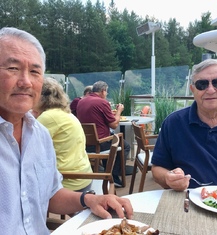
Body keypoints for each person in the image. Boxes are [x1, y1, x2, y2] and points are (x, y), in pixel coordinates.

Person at [0, 27, 133, 234]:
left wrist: (89, 199)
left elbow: (51, 194)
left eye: (35, 72)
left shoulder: (41, 134)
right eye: (13, 68)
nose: (26, 81)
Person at [151, 59, 217, 191]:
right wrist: (168, 177)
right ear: (193, 89)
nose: (210, 90)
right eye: (202, 84)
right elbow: (157, 168)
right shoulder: (174, 123)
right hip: (185, 201)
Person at [33, 77, 93, 192]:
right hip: (83, 177)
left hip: (68, 182)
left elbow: (26, 147)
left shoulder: (49, 117)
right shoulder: (63, 113)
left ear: (41, 97)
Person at [76, 81, 130, 187]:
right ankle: (113, 177)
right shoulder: (102, 102)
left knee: (110, 140)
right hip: (99, 144)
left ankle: (107, 171)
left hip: (84, 143)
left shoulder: (81, 101)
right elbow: (114, 124)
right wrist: (119, 111)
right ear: (103, 91)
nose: (106, 94)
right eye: (106, 92)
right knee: (125, 145)